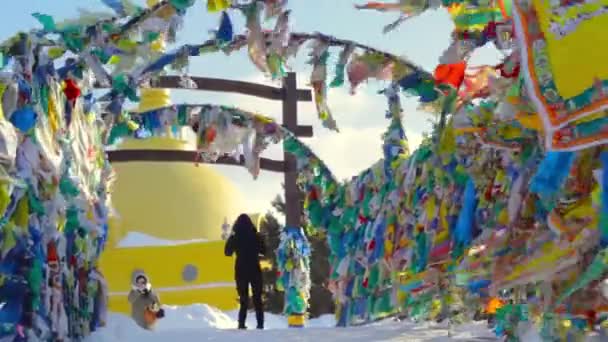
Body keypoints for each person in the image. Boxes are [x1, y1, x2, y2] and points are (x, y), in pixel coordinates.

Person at [224, 214, 266, 330]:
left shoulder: (235, 237)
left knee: (243, 299)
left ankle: (241, 324)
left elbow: (227, 252)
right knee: (257, 298)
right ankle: (260, 324)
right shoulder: (255, 236)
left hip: (241, 269)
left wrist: (232, 238)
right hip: (254, 268)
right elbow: (264, 251)